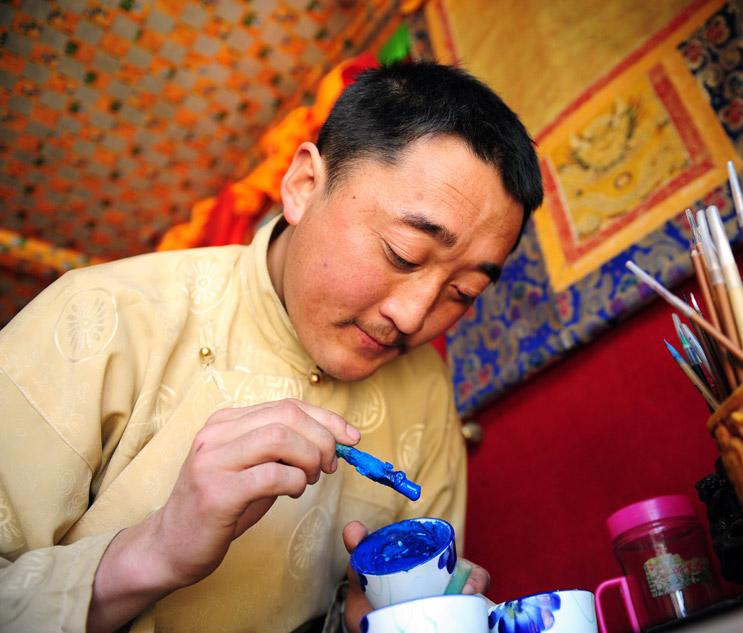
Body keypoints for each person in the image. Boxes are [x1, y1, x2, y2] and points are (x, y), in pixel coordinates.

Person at [0, 61, 543, 633]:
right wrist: (154, 552)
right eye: (403, 254)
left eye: (463, 292)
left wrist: (378, 618)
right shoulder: (101, 317)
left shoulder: (427, 392)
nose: (412, 317)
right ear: (304, 185)